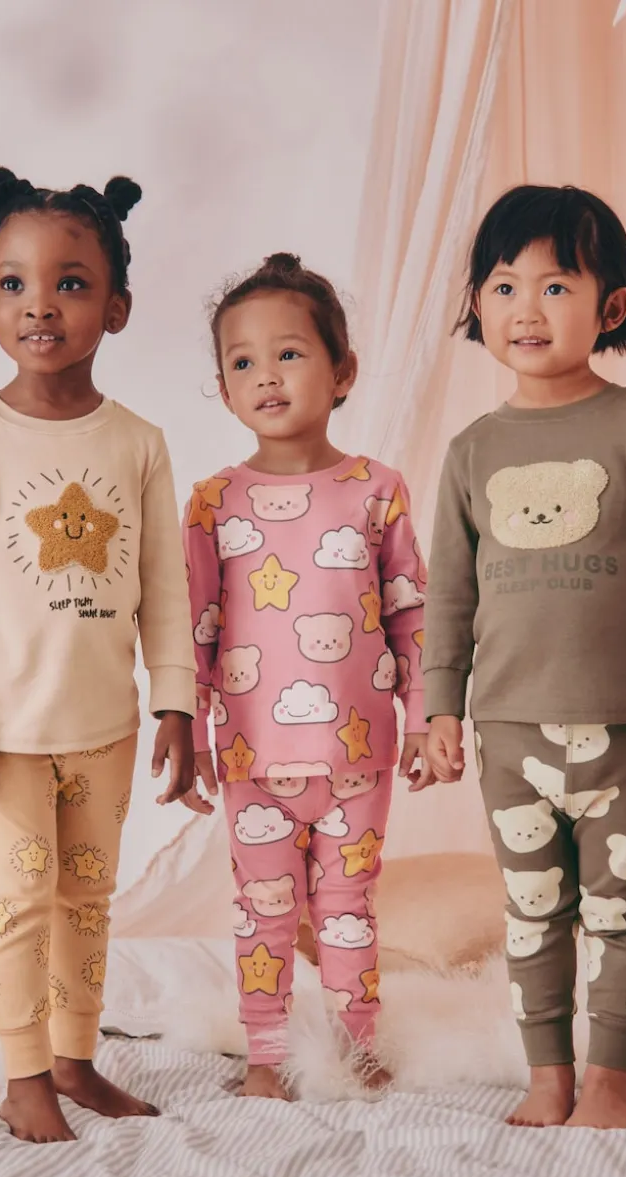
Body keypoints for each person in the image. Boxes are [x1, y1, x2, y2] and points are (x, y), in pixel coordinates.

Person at [424, 185, 626, 1130]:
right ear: (477, 304)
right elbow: (450, 596)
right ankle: (547, 1073)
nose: (527, 308)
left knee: (619, 910)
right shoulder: (472, 451)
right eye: (505, 285)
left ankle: (610, 1077)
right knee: (532, 912)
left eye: (556, 285)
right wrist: (441, 709)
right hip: (509, 731)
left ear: (610, 307)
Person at [0, 167, 196, 1142]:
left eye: (70, 283)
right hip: (3, 734)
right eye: (14, 283)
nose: (40, 304)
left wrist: (175, 703)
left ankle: (76, 1061)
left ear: (116, 307)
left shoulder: (139, 443)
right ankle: (23, 1075)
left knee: (87, 899)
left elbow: (165, 587)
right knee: (17, 905)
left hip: (105, 727)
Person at [182, 253, 434, 1099]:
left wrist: (426, 717)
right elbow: (196, 628)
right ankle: (266, 1055)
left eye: (288, 353)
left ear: (342, 371)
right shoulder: (212, 502)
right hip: (251, 758)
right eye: (242, 362)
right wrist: (188, 729)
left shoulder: (377, 489)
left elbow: (410, 615)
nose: (266, 376)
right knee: (263, 911)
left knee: (349, 908)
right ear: (224, 389)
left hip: (359, 756)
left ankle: (356, 1046)